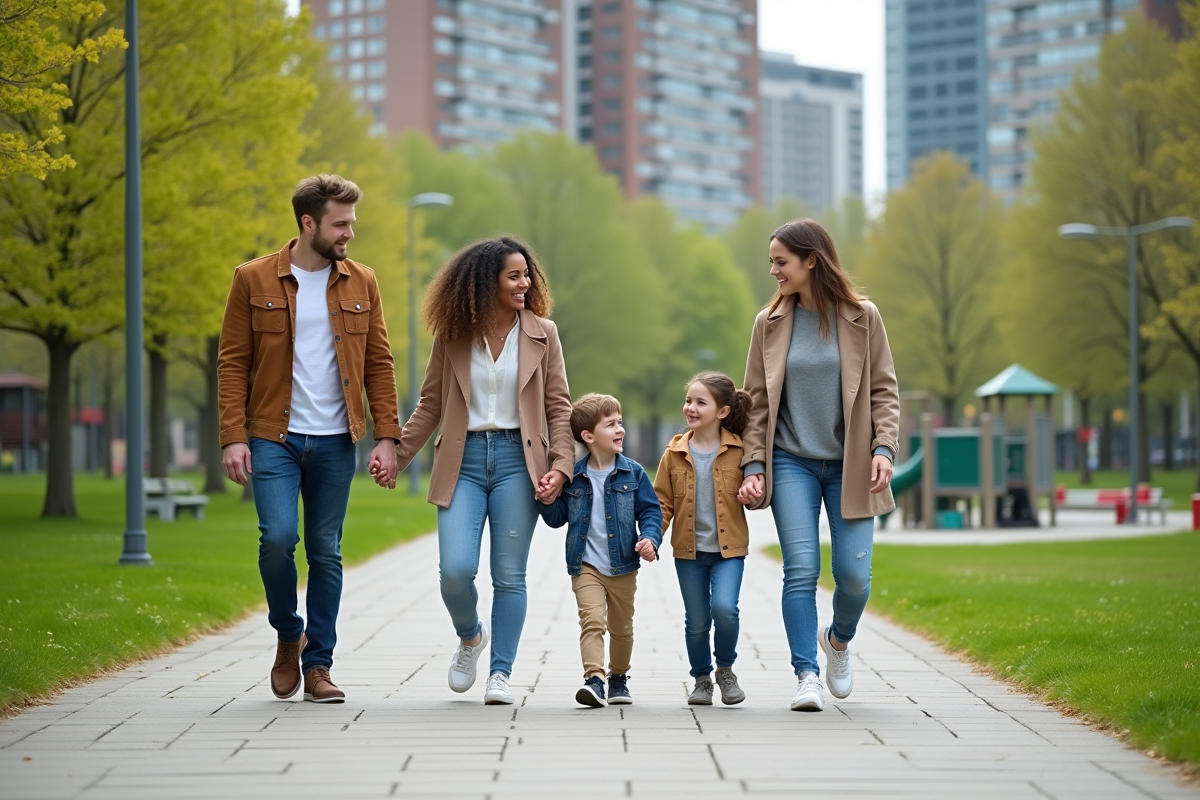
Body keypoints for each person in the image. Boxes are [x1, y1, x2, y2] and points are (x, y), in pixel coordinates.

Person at [218, 174, 401, 704]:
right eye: (340, 223)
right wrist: (233, 436)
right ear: (308, 222)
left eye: (352, 222)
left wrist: (386, 436)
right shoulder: (252, 279)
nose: (349, 232)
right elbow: (233, 363)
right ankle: (287, 632)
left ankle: (319, 664)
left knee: (325, 551)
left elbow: (379, 364)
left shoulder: (363, 281)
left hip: (336, 439)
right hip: (273, 435)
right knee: (277, 539)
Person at [389, 237, 574, 705]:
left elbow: (558, 406)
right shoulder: (453, 333)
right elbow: (431, 403)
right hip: (462, 460)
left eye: (526, 274)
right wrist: (398, 453)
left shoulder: (543, 333)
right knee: (454, 570)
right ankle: (471, 636)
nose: (525, 283)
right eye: (514, 275)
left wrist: (561, 465)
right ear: (484, 281)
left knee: (509, 575)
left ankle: (501, 674)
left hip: (519, 461)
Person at [737, 219, 899, 712]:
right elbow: (756, 402)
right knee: (800, 570)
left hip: (850, 463)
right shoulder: (769, 323)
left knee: (855, 578)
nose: (774, 271)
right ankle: (806, 673)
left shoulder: (862, 317)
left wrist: (884, 448)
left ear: (812, 260)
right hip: (791, 463)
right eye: (771, 262)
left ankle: (839, 641)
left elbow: (884, 391)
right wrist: (753, 465)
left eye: (781, 262)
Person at [538, 393, 661, 708]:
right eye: (611, 425)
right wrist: (546, 498)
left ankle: (618, 676)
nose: (620, 429)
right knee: (592, 621)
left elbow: (650, 512)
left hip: (623, 565)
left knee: (621, 629)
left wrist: (651, 539)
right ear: (588, 436)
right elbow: (556, 520)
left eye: (620, 422)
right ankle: (594, 679)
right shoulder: (573, 477)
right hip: (585, 565)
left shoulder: (633, 473)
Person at [654, 373, 752, 707]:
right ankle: (701, 679)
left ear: (722, 411)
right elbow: (662, 502)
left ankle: (725, 668)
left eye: (700, 402)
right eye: (688, 401)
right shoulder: (675, 452)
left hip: (729, 551)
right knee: (696, 621)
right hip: (689, 552)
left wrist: (752, 493)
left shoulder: (740, 450)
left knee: (725, 609)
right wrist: (653, 536)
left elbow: (757, 490)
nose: (690, 408)